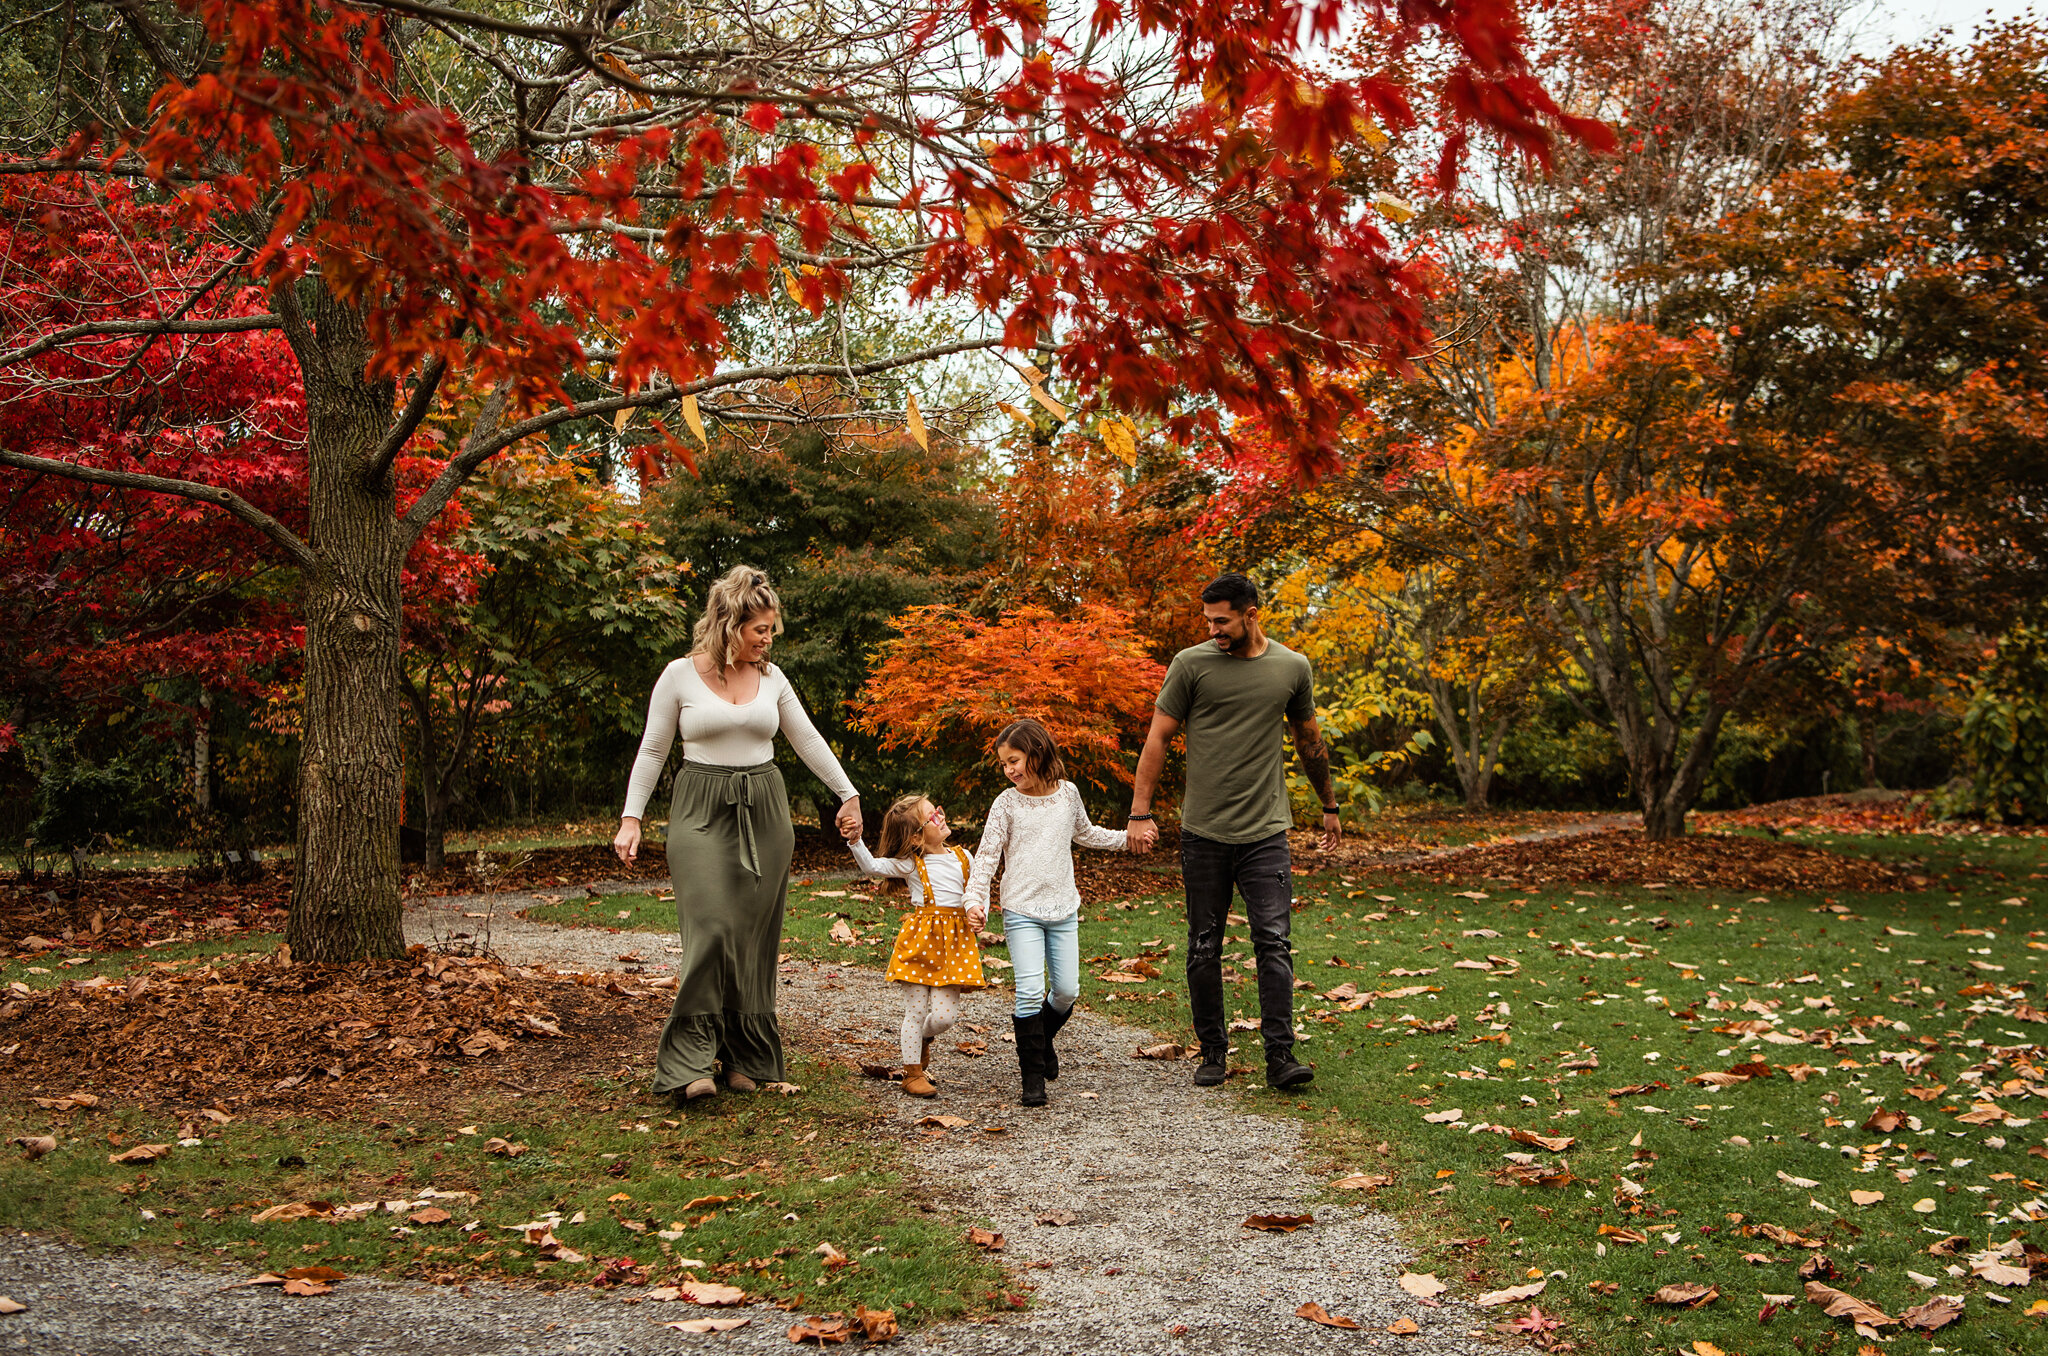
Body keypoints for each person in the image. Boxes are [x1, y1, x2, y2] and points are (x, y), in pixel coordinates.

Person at [613, 566, 863, 1105]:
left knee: (752, 941)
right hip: (701, 807)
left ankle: (746, 1058)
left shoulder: (773, 679)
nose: (767, 640)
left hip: (766, 811)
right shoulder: (678, 675)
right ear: (729, 624)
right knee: (711, 928)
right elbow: (654, 750)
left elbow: (807, 740)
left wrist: (848, 793)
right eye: (760, 630)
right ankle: (691, 1060)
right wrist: (631, 817)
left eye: (771, 630)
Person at [1127, 573, 1341, 1092]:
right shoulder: (1191, 665)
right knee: (1204, 945)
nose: (1213, 630)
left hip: (1266, 831)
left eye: (1222, 621)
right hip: (1204, 833)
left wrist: (1329, 804)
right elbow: (1157, 737)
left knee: (1274, 941)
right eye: (1208, 621)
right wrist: (1140, 811)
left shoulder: (1291, 667)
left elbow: (1309, 740)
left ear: (1251, 614)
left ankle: (1280, 1057)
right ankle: (1213, 1051)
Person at [962, 717, 1128, 1107]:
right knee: (1031, 990)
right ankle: (1032, 1080)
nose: (1009, 770)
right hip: (1021, 909)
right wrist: (974, 900)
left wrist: (1126, 840)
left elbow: (1085, 833)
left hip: (1063, 908)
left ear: (1037, 753)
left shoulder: (1067, 795)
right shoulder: (1006, 803)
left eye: (1015, 760)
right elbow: (986, 857)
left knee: (1067, 990)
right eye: (1004, 764)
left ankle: (1042, 1037)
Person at [846, 793, 984, 1098]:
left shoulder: (965, 858)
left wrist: (978, 910)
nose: (941, 817)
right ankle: (911, 1074)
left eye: (938, 810)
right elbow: (872, 867)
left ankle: (921, 1039)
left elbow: (977, 890)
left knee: (945, 1018)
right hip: (920, 943)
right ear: (916, 838)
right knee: (917, 1010)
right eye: (932, 817)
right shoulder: (911, 864)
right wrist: (856, 840)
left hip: (956, 945)